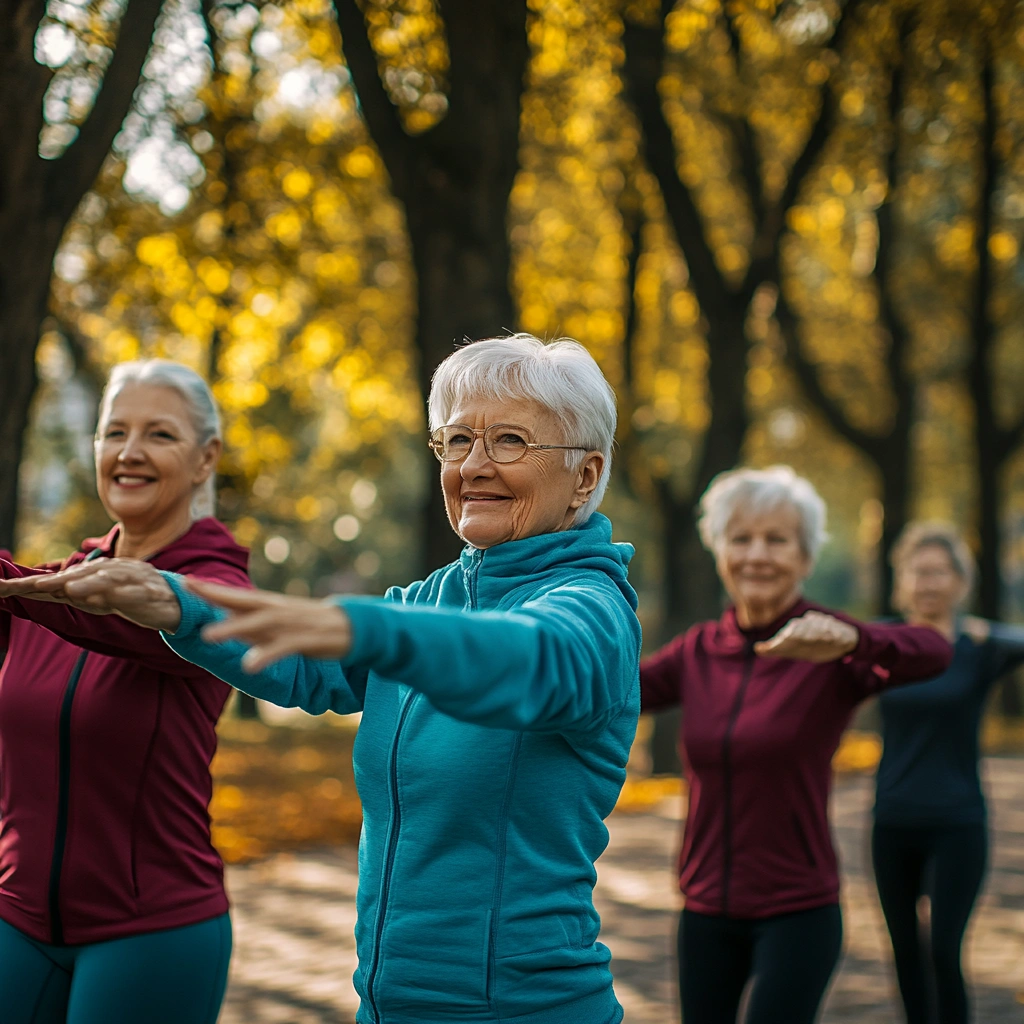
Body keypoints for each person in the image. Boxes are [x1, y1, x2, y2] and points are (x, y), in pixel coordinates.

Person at [5, 334, 643, 1024]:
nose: (474, 466)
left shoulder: (594, 610)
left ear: (585, 475)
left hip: (528, 1010)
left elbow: (532, 660)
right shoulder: (435, 598)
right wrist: (172, 602)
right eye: (457, 442)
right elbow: (307, 665)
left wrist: (363, 627)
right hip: (385, 1004)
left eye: (510, 441)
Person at [638, 466, 953, 1024]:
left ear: (806, 558)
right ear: (720, 551)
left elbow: (932, 650)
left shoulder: (827, 643)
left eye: (777, 540)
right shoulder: (697, 652)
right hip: (704, 909)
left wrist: (856, 638)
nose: (757, 554)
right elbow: (612, 691)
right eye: (741, 538)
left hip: (797, 912)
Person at [0, 360, 248, 1024]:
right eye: (115, 432)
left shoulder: (216, 594)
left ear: (205, 460)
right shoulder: (47, 586)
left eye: (160, 435)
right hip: (14, 922)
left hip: (151, 934)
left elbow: (128, 612)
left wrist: (16, 589)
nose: (130, 453)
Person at [872, 521, 1024, 1024]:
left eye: (940, 572)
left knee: (942, 951)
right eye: (919, 572)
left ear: (960, 581)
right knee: (904, 955)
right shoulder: (885, 642)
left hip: (957, 823)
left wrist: (990, 629)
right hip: (891, 821)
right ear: (903, 580)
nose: (929, 583)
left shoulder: (979, 648)